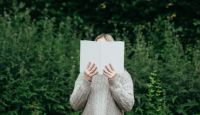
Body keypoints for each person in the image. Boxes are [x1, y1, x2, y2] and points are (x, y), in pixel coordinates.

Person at [70, 34, 134, 115]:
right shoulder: (85, 73)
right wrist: (86, 81)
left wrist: (114, 81)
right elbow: (75, 105)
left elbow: (128, 106)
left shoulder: (123, 74)